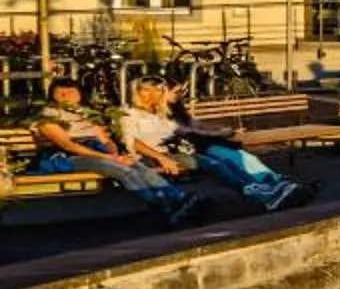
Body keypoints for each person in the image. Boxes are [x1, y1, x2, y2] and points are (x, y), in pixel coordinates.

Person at [120, 78, 316, 213]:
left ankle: (271, 188)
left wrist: (223, 132)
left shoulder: (162, 113)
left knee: (236, 158)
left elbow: (190, 128)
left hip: (186, 147)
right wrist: (160, 155)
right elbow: (131, 141)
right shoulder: (128, 114)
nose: (161, 95)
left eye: (162, 91)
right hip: (171, 152)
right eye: (159, 91)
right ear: (143, 93)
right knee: (221, 161)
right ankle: (262, 191)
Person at [28, 78, 204, 226]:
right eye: (61, 93)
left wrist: (115, 153)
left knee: (138, 166)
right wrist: (111, 157)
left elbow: (107, 140)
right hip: (68, 157)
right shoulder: (47, 116)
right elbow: (68, 146)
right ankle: (161, 207)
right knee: (122, 170)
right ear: (52, 95)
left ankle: (178, 198)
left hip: (98, 152)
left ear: (80, 94)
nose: (67, 96)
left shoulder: (84, 115)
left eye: (72, 92)